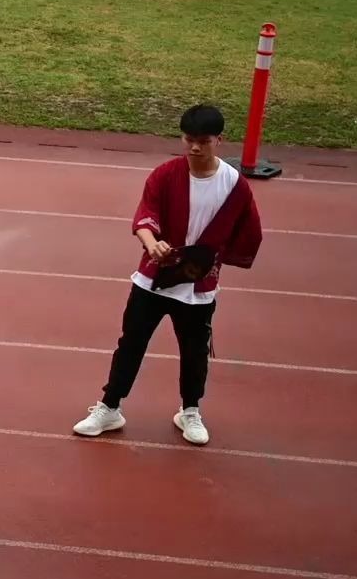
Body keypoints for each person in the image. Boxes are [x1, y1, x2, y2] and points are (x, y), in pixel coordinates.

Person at [73, 105, 263, 447]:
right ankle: (110, 407)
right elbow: (146, 215)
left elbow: (246, 232)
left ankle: (190, 410)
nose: (193, 148)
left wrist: (213, 260)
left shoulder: (235, 186)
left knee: (194, 352)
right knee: (131, 344)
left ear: (219, 140)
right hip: (153, 279)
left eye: (202, 141)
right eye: (188, 140)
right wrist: (152, 243)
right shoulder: (165, 175)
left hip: (198, 286)